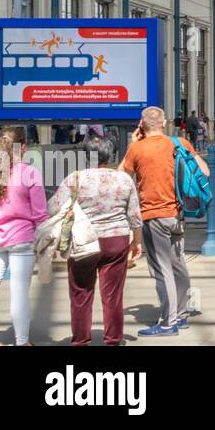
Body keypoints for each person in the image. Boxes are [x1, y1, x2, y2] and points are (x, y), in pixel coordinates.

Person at [121, 105, 209, 337]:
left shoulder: (137, 149)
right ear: (164, 122)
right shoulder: (180, 144)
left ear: (141, 124)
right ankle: (181, 314)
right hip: (177, 215)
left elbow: (121, 176)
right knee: (178, 263)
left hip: (154, 216)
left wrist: (132, 143)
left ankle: (168, 322)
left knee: (162, 269)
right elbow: (205, 172)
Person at [48, 135, 142, 346]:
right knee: (113, 296)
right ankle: (113, 340)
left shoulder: (75, 179)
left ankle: (81, 341)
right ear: (110, 155)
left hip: (84, 242)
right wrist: (137, 242)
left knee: (81, 294)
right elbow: (135, 216)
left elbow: (53, 208)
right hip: (116, 241)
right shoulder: (124, 179)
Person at [0, 128, 47, 346]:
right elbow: (40, 214)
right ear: (23, 148)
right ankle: (22, 342)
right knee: (19, 294)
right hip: (22, 240)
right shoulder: (30, 172)